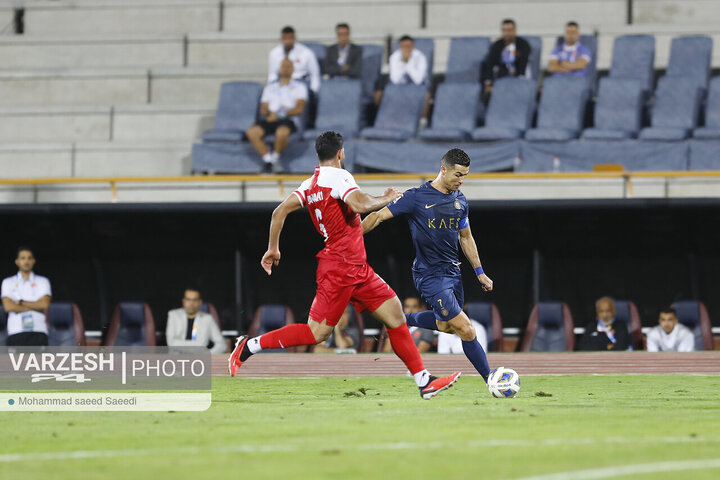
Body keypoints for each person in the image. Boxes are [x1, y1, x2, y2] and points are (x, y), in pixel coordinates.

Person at [228, 131, 461, 399]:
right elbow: (360, 204)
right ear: (341, 153)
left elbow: (278, 212)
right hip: (340, 268)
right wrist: (386, 197)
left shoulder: (310, 183)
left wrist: (272, 248)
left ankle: (424, 381)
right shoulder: (339, 176)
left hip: (356, 268)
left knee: (395, 314)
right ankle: (249, 345)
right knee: (315, 334)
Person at [362, 148, 495, 382]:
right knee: (466, 329)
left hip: (453, 273)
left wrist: (480, 272)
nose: (461, 181)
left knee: (445, 327)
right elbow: (378, 216)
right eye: (458, 175)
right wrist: (348, 240)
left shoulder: (460, 200)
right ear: (443, 169)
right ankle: (491, 378)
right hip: (430, 275)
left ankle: (400, 319)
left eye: (465, 176)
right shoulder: (416, 197)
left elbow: (466, 237)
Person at [246, 58, 308, 173]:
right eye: (283, 66)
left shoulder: (300, 87)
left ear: (293, 69)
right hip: (271, 118)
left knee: (282, 132)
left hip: (287, 119)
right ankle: (269, 160)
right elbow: (263, 108)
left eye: (288, 66)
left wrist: (280, 114)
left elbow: (299, 108)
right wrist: (269, 114)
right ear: (279, 69)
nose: (286, 69)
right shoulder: (270, 87)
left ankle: (274, 158)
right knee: (252, 132)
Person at [1, 247, 52, 346]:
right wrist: (35, 305)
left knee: (39, 361)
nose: (26, 261)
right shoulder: (8, 282)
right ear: (17, 261)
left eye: (29, 258)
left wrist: (20, 302)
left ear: (33, 261)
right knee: (16, 362)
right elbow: (8, 306)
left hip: (39, 331)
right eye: (23, 258)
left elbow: (44, 304)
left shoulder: (42, 281)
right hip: (16, 331)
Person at [166, 288, 226, 354]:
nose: (191, 303)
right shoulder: (173, 315)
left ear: (200, 302)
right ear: (183, 301)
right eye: (188, 299)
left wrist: (208, 355)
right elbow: (171, 343)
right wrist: (199, 344)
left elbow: (222, 345)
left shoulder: (207, 319)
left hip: (200, 360)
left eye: (195, 300)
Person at [374, 35, 428, 105]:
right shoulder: (394, 57)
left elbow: (418, 80)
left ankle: (423, 116)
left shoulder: (421, 57)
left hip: (416, 84)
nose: (407, 49)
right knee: (379, 87)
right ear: (400, 47)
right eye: (404, 46)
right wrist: (403, 61)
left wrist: (407, 62)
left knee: (427, 93)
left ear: (413, 47)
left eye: (409, 46)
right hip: (399, 84)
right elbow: (395, 79)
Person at [482, 19, 531, 94]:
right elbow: (490, 63)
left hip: (519, 77)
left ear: (515, 31)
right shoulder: (497, 45)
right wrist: (488, 82)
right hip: (501, 78)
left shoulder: (523, 45)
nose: (507, 33)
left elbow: (524, 63)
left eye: (509, 30)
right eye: (504, 30)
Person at [268, 26, 321, 94]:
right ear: (281, 39)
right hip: (282, 82)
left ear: (295, 38)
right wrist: (271, 89)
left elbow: (315, 74)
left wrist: (313, 91)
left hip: (301, 82)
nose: (288, 41)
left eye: (290, 38)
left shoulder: (306, 52)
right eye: (285, 38)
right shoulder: (274, 53)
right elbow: (272, 75)